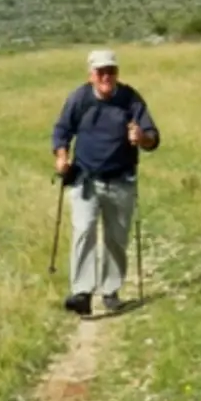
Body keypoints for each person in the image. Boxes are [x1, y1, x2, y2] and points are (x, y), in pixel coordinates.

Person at [50, 49, 160, 315]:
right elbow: (61, 131)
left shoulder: (130, 99)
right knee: (84, 231)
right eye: (101, 72)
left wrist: (141, 137)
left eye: (111, 71)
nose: (106, 76)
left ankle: (110, 292)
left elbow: (153, 139)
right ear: (91, 75)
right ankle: (82, 293)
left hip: (121, 179)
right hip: (86, 179)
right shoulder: (79, 98)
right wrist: (62, 157)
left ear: (117, 73)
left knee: (116, 238)